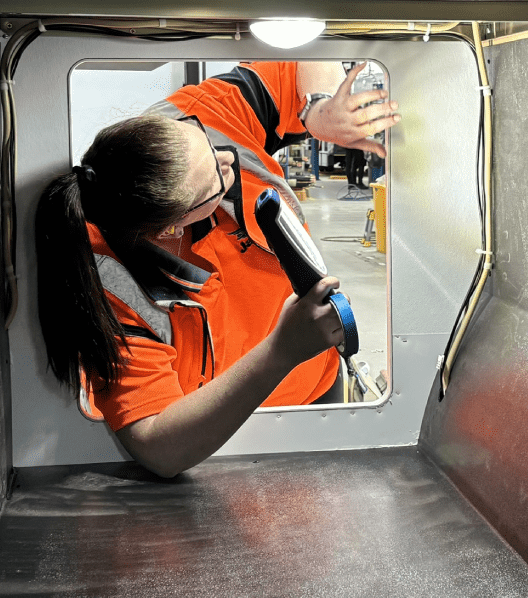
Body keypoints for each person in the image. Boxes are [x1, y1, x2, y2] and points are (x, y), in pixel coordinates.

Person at [35, 61, 399, 478]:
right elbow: (159, 447)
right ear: (172, 226)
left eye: (208, 145)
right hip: (223, 441)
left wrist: (317, 112)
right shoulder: (109, 283)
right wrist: (281, 351)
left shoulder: (197, 122)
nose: (229, 159)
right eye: (216, 181)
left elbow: (298, 58)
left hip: (317, 386)